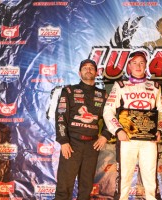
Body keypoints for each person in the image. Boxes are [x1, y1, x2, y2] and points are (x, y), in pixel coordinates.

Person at [103, 51, 162, 200]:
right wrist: (117, 130)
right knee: (124, 178)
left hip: (148, 140)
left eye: (142, 63)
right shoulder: (120, 85)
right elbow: (108, 110)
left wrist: (160, 130)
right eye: (135, 63)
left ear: (146, 66)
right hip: (127, 139)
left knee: (151, 180)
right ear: (129, 66)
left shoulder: (155, 86)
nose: (138, 66)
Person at [54, 59, 112, 200]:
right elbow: (61, 116)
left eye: (91, 67)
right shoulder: (69, 91)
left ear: (96, 72)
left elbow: (111, 117)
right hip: (72, 144)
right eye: (85, 68)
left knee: (86, 188)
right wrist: (63, 141)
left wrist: (105, 135)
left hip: (92, 146)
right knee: (64, 188)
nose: (88, 69)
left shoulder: (103, 95)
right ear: (80, 73)